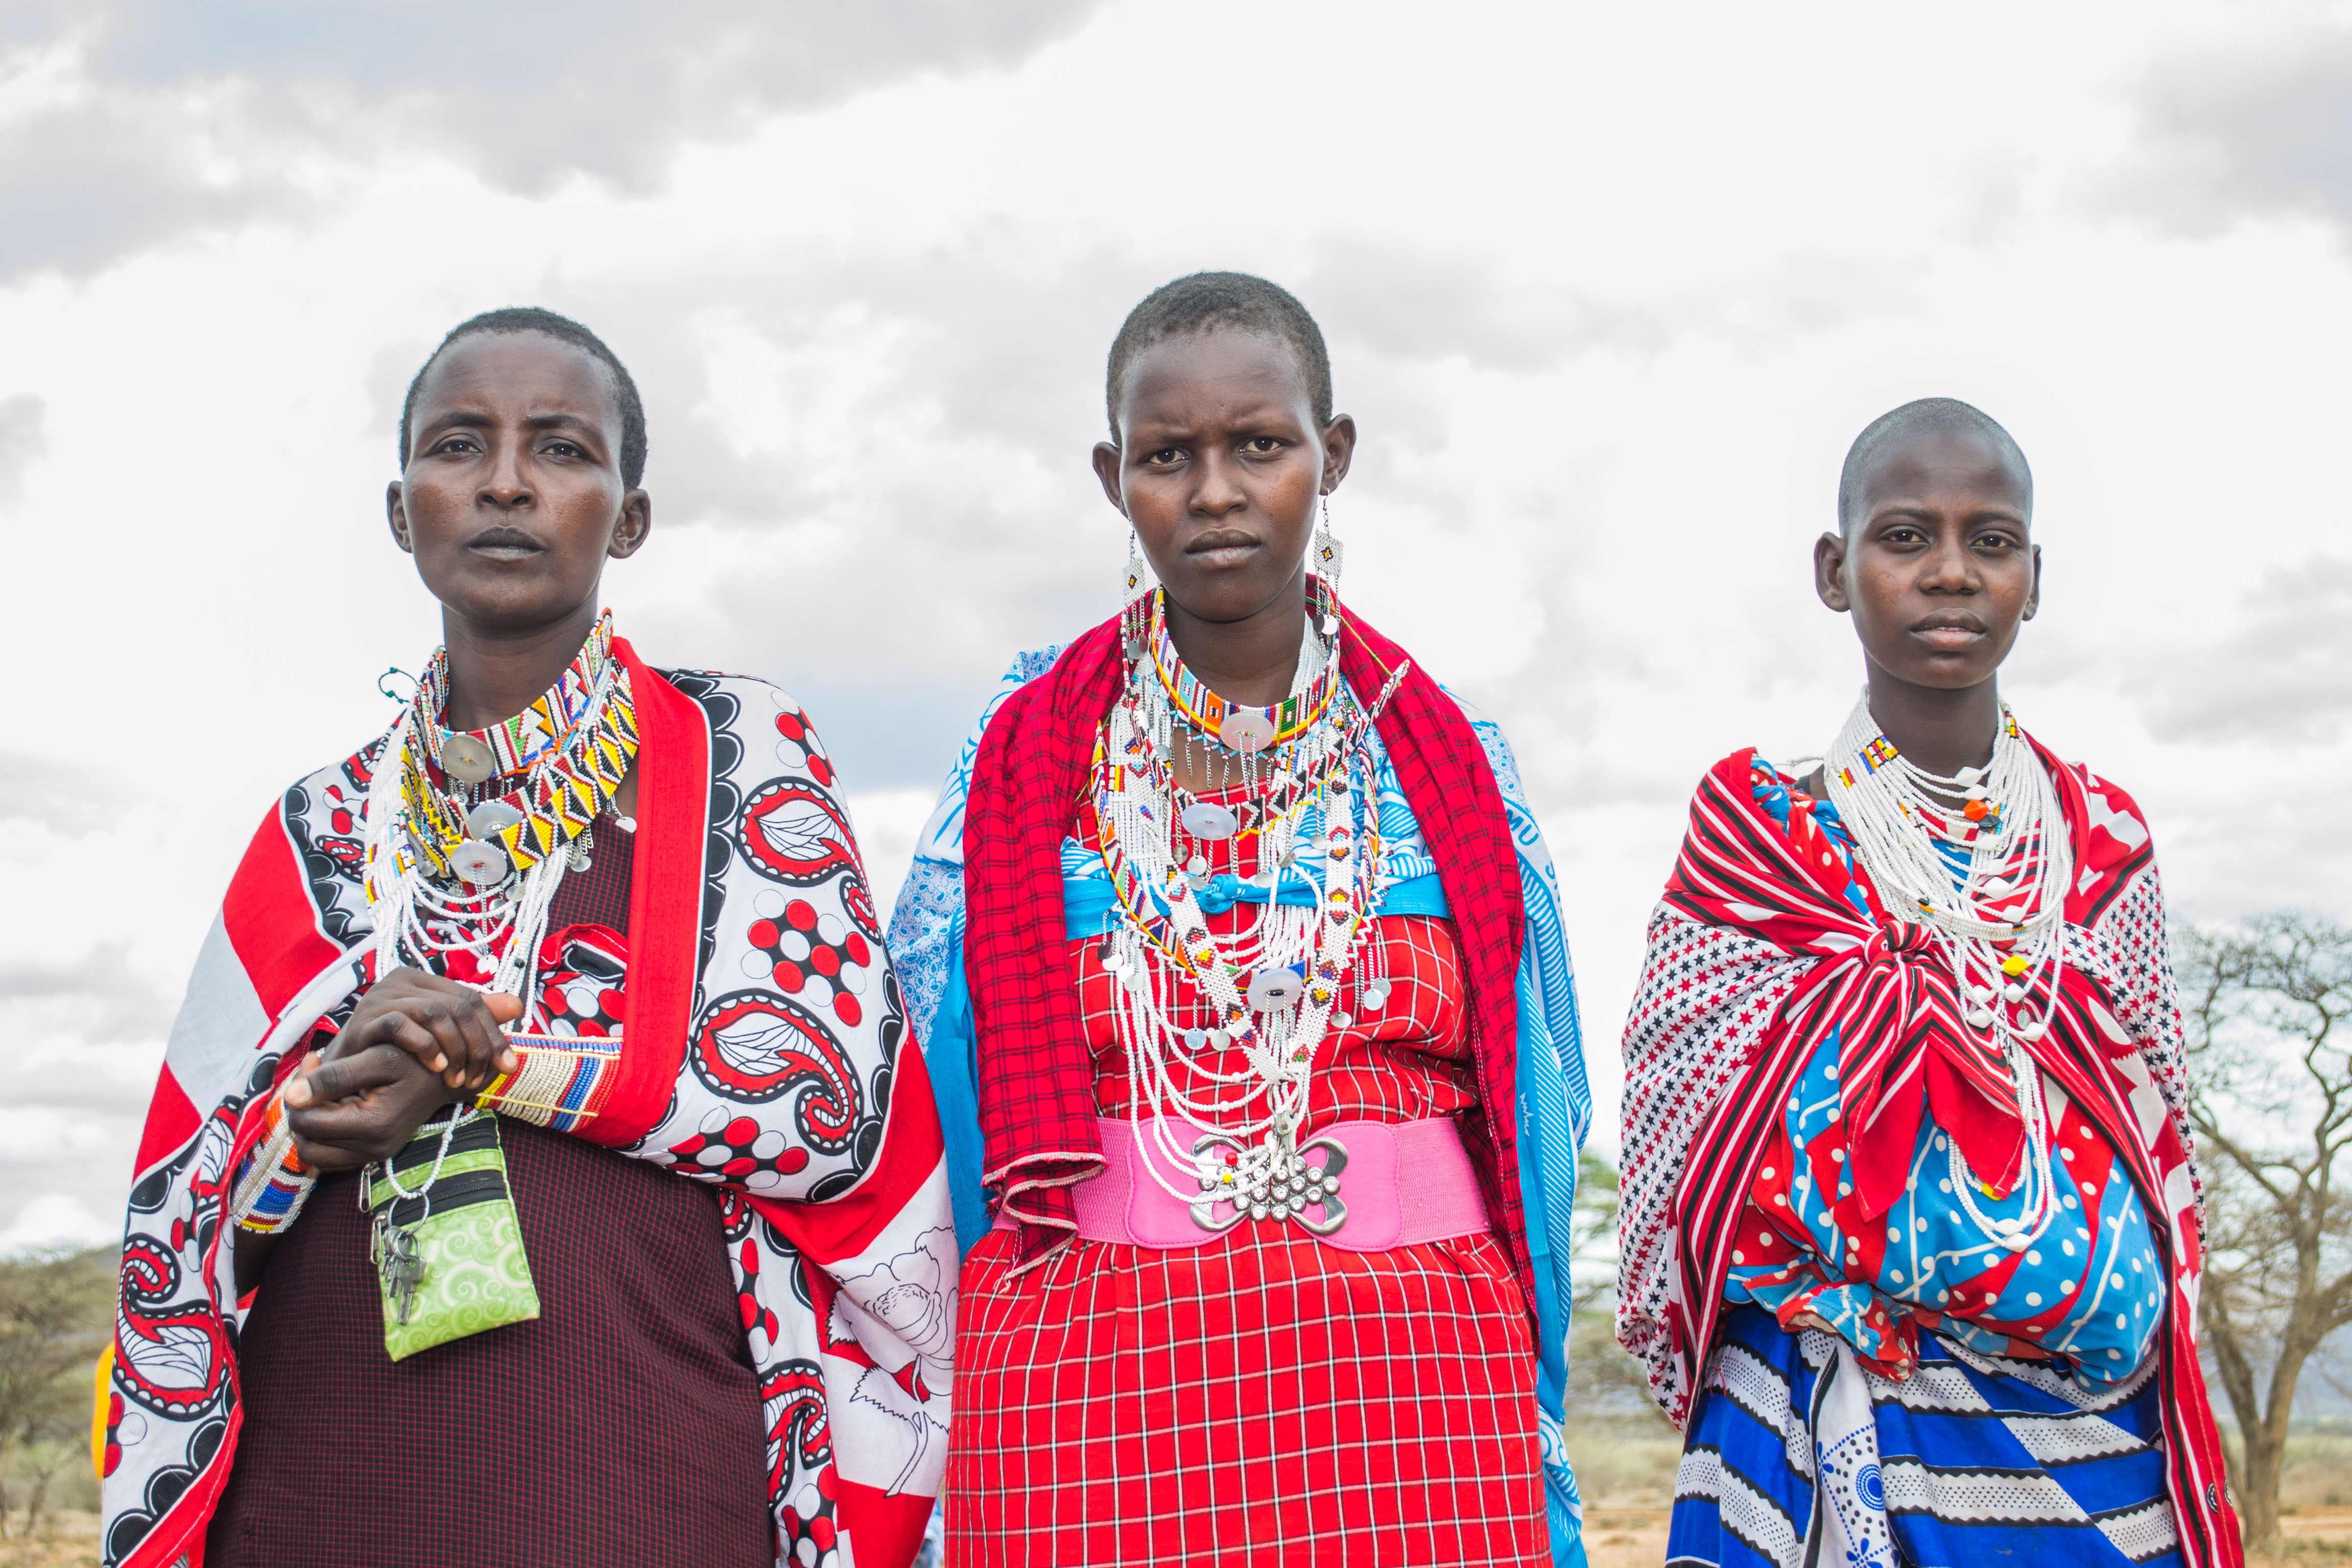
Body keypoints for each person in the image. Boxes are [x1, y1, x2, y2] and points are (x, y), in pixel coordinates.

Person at [103, 308, 955, 1568]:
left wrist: (481, 1063)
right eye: (461, 445)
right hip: (318, 1462)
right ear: (404, 513)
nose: (506, 481)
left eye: (560, 450)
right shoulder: (318, 828)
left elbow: (829, 1107)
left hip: (635, 1451)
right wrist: (316, 1115)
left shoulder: (741, 762)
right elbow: (187, 1206)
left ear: (630, 517)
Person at [888, 272, 1592, 1566]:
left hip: (1420, 1373)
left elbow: (1540, 1102)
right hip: (1085, 1374)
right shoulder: (1023, 760)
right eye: (1169, 456)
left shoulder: (1449, 762)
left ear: (1334, 456)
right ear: (1115, 479)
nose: (1214, 491)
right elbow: (932, 1086)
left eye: (1258, 446)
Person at [1617, 399, 2243, 1567]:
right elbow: (1685, 1139)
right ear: (1834, 569)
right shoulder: (1760, 833)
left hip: (2095, 1439)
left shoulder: (2102, 843)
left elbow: (2158, 1139)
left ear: (2035, 579)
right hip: (1819, 1407)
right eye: (1906, 537)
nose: (1951, 573)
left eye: (1990, 542)